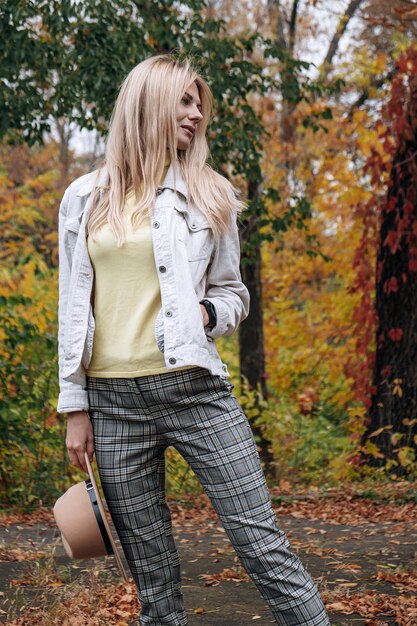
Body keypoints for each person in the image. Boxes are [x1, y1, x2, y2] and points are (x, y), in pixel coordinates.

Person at [58, 54, 330, 626]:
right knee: (153, 583)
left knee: (263, 548)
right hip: (112, 406)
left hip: (196, 393)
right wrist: (74, 405)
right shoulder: (84, 198)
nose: (197, 113)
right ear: (149, 103)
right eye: (184, 101)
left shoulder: (211, 193)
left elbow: (234, 292)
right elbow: (72, 307)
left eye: (199, 103)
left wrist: (207, 313)